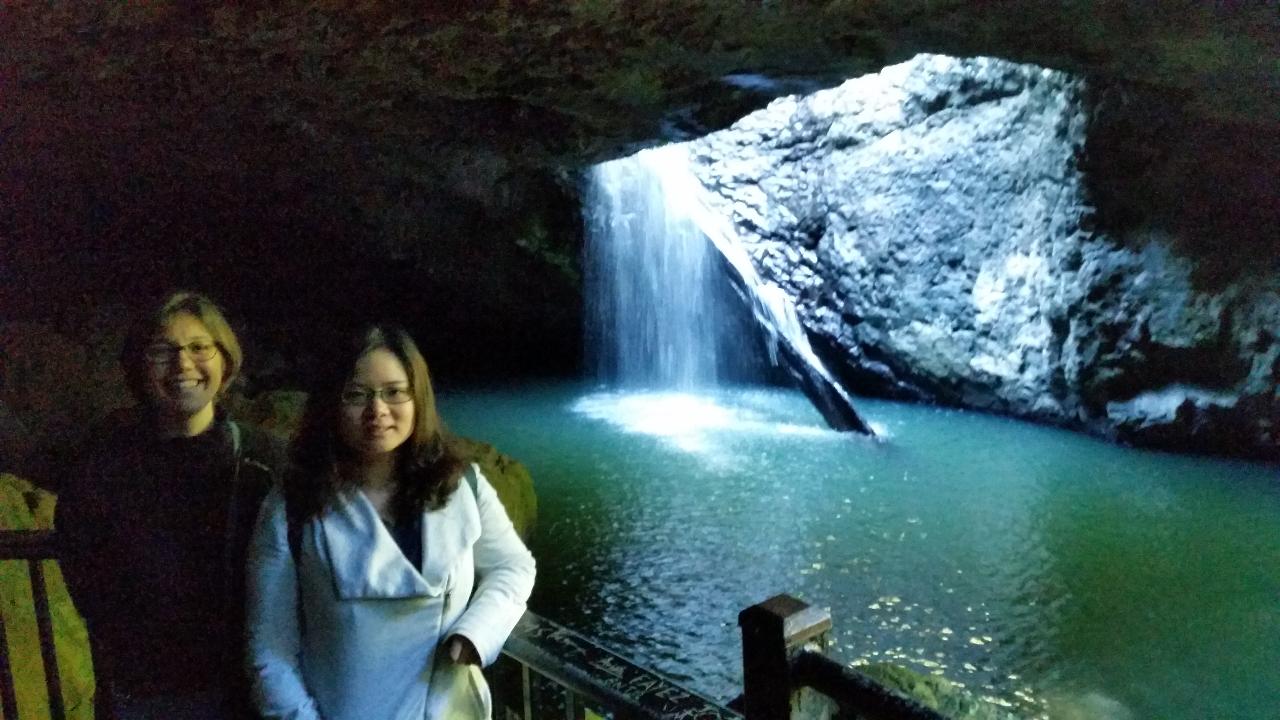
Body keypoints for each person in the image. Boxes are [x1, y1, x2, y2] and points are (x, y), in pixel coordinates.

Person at [247, 323, 535, 720]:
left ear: (418, 398)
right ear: (331, 404)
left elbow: (513, 566)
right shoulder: (294, 506)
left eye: (394, 392)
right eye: (356, 395)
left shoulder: (460, 484)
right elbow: (270, 651)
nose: (377, 411)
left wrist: (478, 633)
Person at [56, 291, 286, 719]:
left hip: (247, 689)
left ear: (225, 361)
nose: (183, 364)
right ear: (140, 366)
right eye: (163, 350)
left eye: (200, 347)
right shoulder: (104, 466)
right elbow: (81, 564)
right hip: (143, 692)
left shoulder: (264, 460)